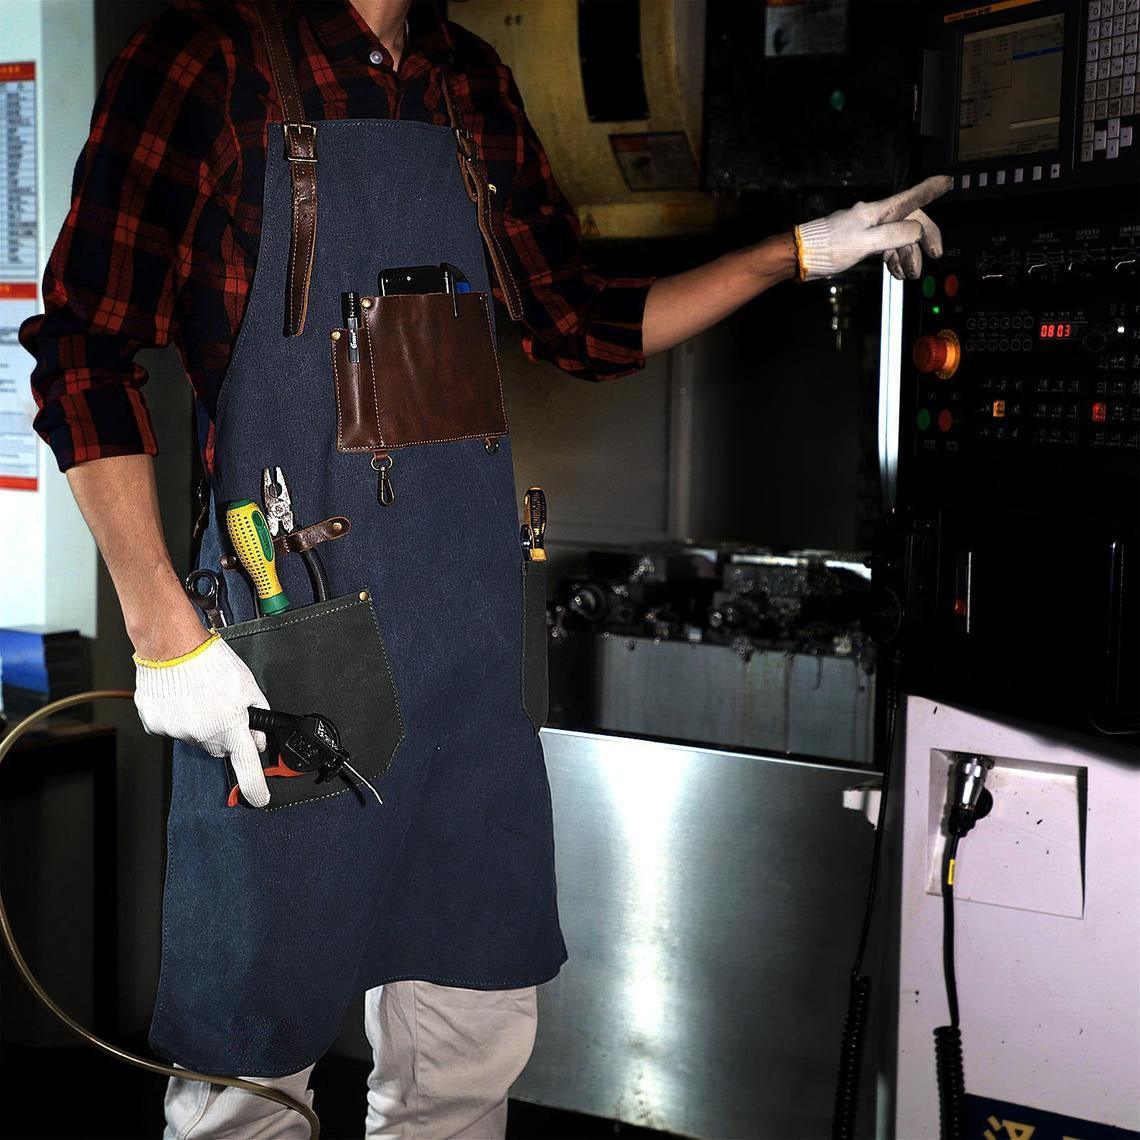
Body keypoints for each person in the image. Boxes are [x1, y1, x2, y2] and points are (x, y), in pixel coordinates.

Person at [21, 0, 951, 1135]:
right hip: (292, 650)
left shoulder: (469, 78)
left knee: (470, 1035)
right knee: (248, 1064)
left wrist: (795, 253)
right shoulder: (204, 57)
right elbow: (83, 352)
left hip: (467, 647)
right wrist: (164, 632)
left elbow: (581, 321)